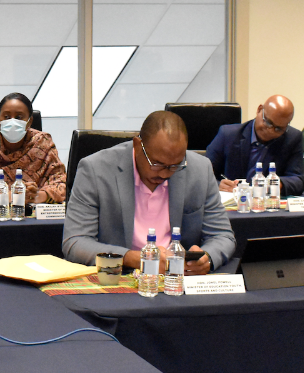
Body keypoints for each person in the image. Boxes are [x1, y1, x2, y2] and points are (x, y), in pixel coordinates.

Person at [63, 110, 236, 273]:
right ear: (138, 145)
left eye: (175, 166)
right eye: (157, 164)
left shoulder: (200, 169)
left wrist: (207, 258)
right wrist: (135, 259)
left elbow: (222, 236)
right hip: (119, 277)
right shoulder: (95, 169)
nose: (165, 174)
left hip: (177, 279)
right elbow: (75, 242)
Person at [0, 92, 67, 204]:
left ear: (29, 121)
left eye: (19, 117)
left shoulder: (43, 143)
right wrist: (4, 196)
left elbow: (62, 184)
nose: (12, 121)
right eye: (6, 117)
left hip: (32, 211)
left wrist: (37, 196)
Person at [206, 95, 304, 196]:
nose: (271, 131)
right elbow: (204, 175)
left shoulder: (292, 138)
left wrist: (277, 184)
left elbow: (298, 180)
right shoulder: (228, 135)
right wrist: (218, 185)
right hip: (233, 200)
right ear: (259, 110)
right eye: (268, 122)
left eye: (278, 129)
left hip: (267, 202)